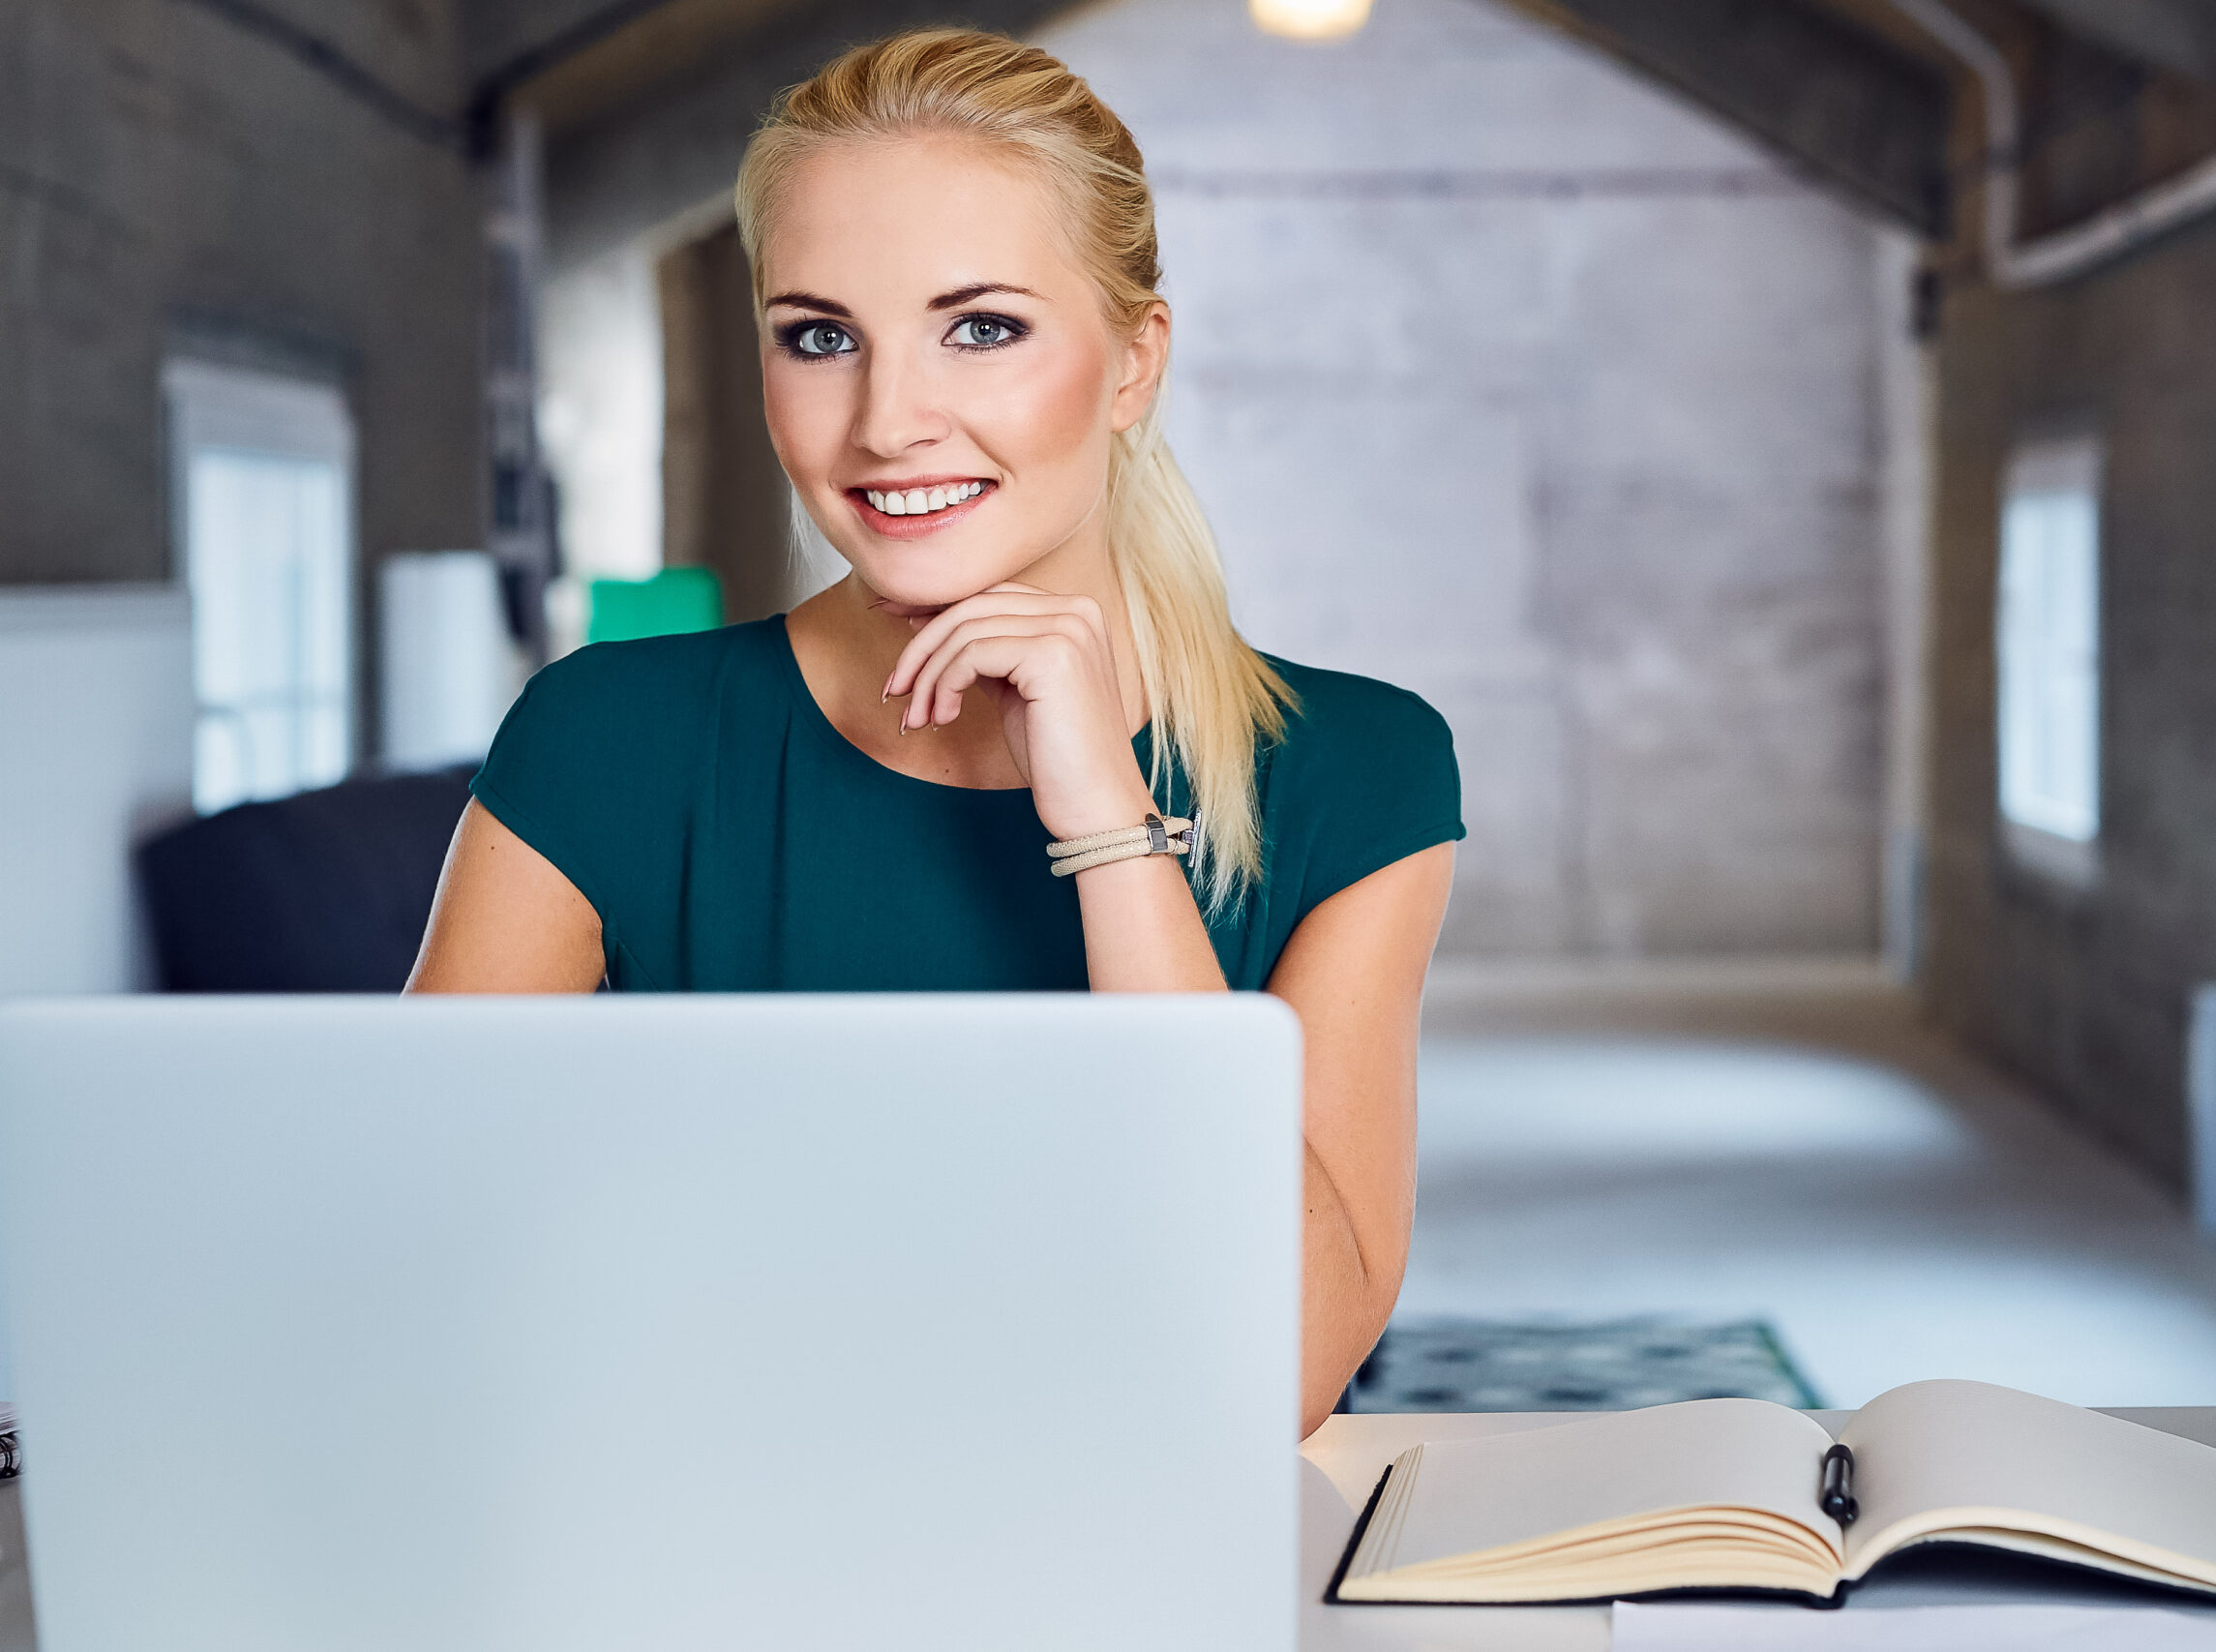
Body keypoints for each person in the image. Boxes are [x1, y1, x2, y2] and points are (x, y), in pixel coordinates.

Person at [407, 27, 1462, 1437]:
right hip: (710, 1520)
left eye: (982, 327)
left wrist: (1106, 829)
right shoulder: (608, 741)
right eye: (821, 337)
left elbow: (1279, 1372)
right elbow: (408, 1259)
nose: (889, 421)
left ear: (1134, 362)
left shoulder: (1360, 769)